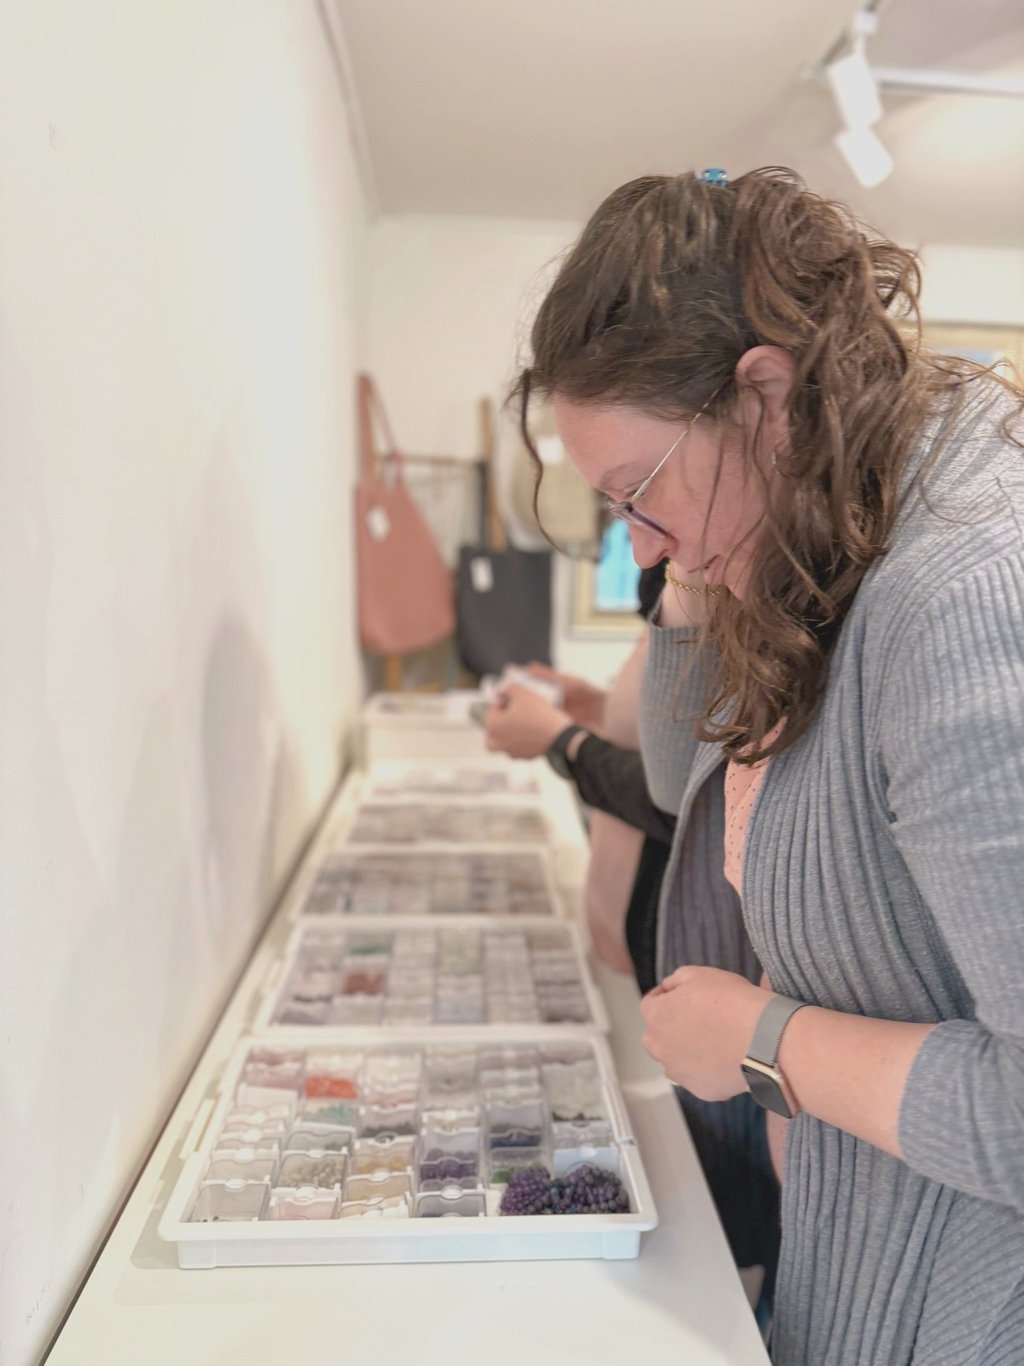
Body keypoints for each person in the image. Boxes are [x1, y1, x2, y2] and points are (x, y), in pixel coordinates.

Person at [511, 166, 1024, 1364]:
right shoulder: (825, 528)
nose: (637, 545)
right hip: (839, 1239)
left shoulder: (960, 600)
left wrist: (768, 1043)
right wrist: (693, 554)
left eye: (636, 492)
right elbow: (682, 774)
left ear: (765, 393)